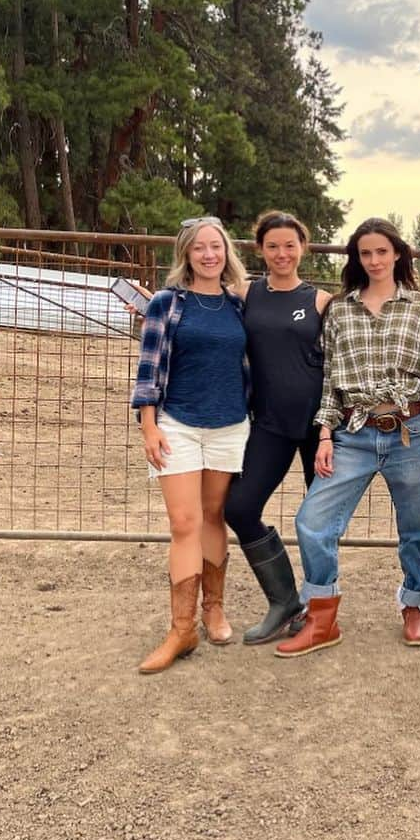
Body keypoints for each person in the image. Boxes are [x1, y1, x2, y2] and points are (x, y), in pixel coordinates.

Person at [277, 217, 420, 657]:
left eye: (382, 251)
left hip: (408, 431)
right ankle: (322, 614)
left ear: (397, 253)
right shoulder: (340, 310)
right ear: (357, 259)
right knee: (313, 522)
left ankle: (415, 601)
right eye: (366, 253)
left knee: (417, 525)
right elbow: (329, 379)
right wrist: (324, 434)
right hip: (352, 433)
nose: (375, 260)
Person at [131, 216, 251, 674]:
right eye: (199, 248)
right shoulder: (167, 304)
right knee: (185, 521)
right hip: (177, 423)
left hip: (229, 425)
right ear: (186, 254)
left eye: (215, 247)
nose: (208, 255)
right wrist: (149, 424)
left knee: (214, 516)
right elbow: (149, 367)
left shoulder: (239, 304)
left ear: (226, 252)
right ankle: (182, 629)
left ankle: (213, 608)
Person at [222, 210, 332, 645]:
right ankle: (284, 599)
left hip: (318, 426)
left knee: (319, 521)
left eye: (290, 245)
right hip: (268, 422)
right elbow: (200, 309)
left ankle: (321, 608)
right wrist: (154, 304)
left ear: (303, 247)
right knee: (240, 508)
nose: (282, 253)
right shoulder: (245, 293)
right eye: (273, 246)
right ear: (260, 250)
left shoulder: (322, 300)